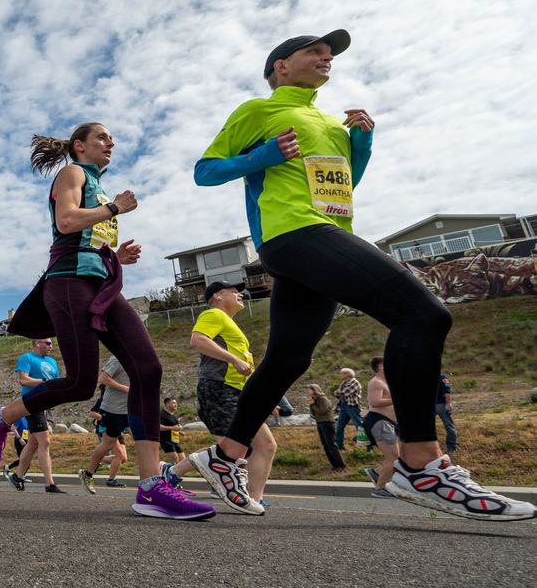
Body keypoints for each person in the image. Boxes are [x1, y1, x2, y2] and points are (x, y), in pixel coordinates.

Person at [190, 29, 534, 520]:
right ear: (280, 67)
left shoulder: (329, 121)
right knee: (424, 315)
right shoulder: (259, 111)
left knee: (288, 359)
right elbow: (205, 171)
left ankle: (224, 457)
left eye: (330, 54)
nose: (326, 57)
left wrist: (362, 145)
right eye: (315, 51)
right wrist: (261, 157)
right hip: (292, 233)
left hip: (326, 226)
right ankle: (421, 465)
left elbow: (344, 187)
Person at [0, 123, 213, 520]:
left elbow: (86, 240)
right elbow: (68, 222)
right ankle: (1, 417)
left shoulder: (100, 187)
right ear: (80, 145)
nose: (111, 143)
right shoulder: (72, 174)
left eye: (111, 139)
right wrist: (115, 208)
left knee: (148, 369)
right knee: (80, 383)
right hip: (67, 283)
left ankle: (150, 487)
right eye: (102, 138)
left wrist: (114, 257)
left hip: (99, 283)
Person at [166, 282, 276, 512]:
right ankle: (173, 472)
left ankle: (254, 499)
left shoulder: (232, 325)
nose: (240, 294)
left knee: (266, 445)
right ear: (217, 295)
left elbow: (247, 366)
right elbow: (197, 341)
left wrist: (263, 399)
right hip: (218, 389)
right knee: (235, 449)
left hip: (239, 392)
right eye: (233, 291)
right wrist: (233, 359)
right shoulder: (213, 313)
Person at [2, 339, 64, 494]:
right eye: (48, 343)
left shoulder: (52, 362)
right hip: (32, 402)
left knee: (33, 444)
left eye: (51, 343)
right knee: (45, 442)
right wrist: (42, 382)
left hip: (45, 406)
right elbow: (23, 380)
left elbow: (55, 383)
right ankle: (50, 484)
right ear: (37, 343)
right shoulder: (27, 358)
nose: (51, 346)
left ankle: (18, 477)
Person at [78, 354, 134, 493]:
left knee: (141, 440)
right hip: (113, 410)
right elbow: (102, 378)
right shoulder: (118, 358)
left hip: (130, 409)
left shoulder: (138, 358)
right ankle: (88, 473)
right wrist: (127, 389)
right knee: (108, 445)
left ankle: (154, 478)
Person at [363, 357, 400, 497]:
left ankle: (377, 472)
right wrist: (398, 398)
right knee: (394, 458)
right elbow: (375, 402)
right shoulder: (376, 382)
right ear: (381, 366)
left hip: (388, 423)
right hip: (380, 422)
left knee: (397, 457)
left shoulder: (386, 382)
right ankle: (379, 489)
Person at [307, 383, 346, 472]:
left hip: (327, 423)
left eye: (309, 389)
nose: (307, 391)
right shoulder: (315, 400)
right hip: (320, 423)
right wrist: (311, 405)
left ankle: (341, 465)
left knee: (331, 445)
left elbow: (321, 411)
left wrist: (312, 404)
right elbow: (314, 414)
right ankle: (334, 465)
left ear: (314, 390)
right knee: (325, 445)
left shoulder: (323, 399)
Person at [333, 368, 364, 450]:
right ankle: (339, 446)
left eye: (341, 373)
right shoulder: (344, 383)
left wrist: (338, 392)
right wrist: (338, 392)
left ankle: (369, 446)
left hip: (352, 406)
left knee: (360, 426)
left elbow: (342, 393)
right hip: (344, 406)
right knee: (340, 426)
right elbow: (337, 393)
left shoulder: (354, 382)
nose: (339, 375)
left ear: (346, 374)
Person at [159, 397, 185, 465]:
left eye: (176, 403)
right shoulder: (161, 414)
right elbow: (158, 427)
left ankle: (172, 472)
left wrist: (180, 432)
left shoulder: (174, 416)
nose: (176, 405)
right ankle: (166, 470)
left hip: (175, 441)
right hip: (166, 441)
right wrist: (172, 428)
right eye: (173, 403)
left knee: (183, 460)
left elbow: (175, 428)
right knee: (175, 459)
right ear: (167, 404)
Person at [435, 372, 457, 454]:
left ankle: (432, 447)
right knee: (449, 426)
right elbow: (447, 391)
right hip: (441, 405)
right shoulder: (442, 376)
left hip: (431, 405)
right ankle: (451, 448)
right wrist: (448, 403)